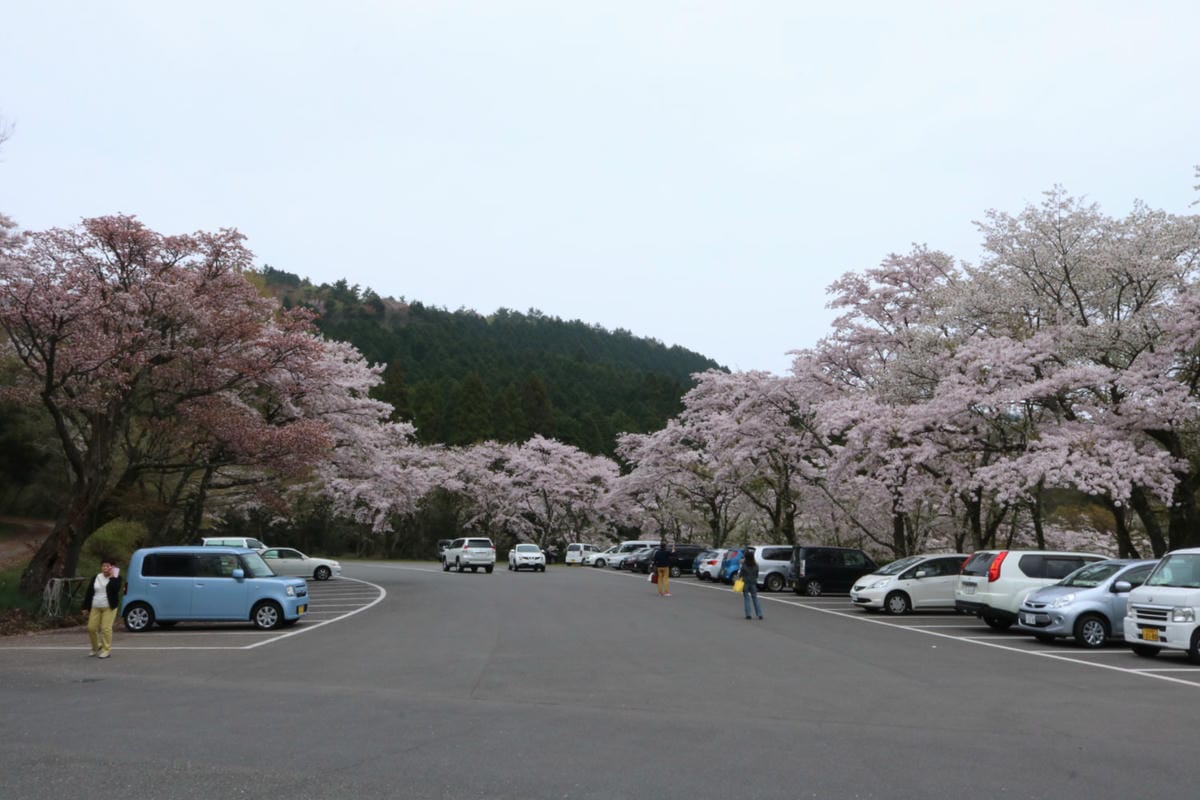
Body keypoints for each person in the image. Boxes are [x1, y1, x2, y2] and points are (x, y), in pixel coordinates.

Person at [83, 557, 122, 658]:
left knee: (106, 628)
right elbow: (89, 593)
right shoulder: (96, 577)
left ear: (112, 567)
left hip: (109, 607)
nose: (105, 567)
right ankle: (96, 647)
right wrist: (85, 607)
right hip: (95, 606)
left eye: (107, 566)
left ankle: (106, 650)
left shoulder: (117, 578)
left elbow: (115, 590)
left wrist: (113, 576)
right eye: (103, 565)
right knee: (91, 628)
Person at [740, 548, 763, 620]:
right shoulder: (756, 565)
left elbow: (741, 574)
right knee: (755, 598)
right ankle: (759, 614)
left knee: (746, 598)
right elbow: (757, 575)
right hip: (753, 582)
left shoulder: (744, 565)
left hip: (745, 582)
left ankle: (748, 614)